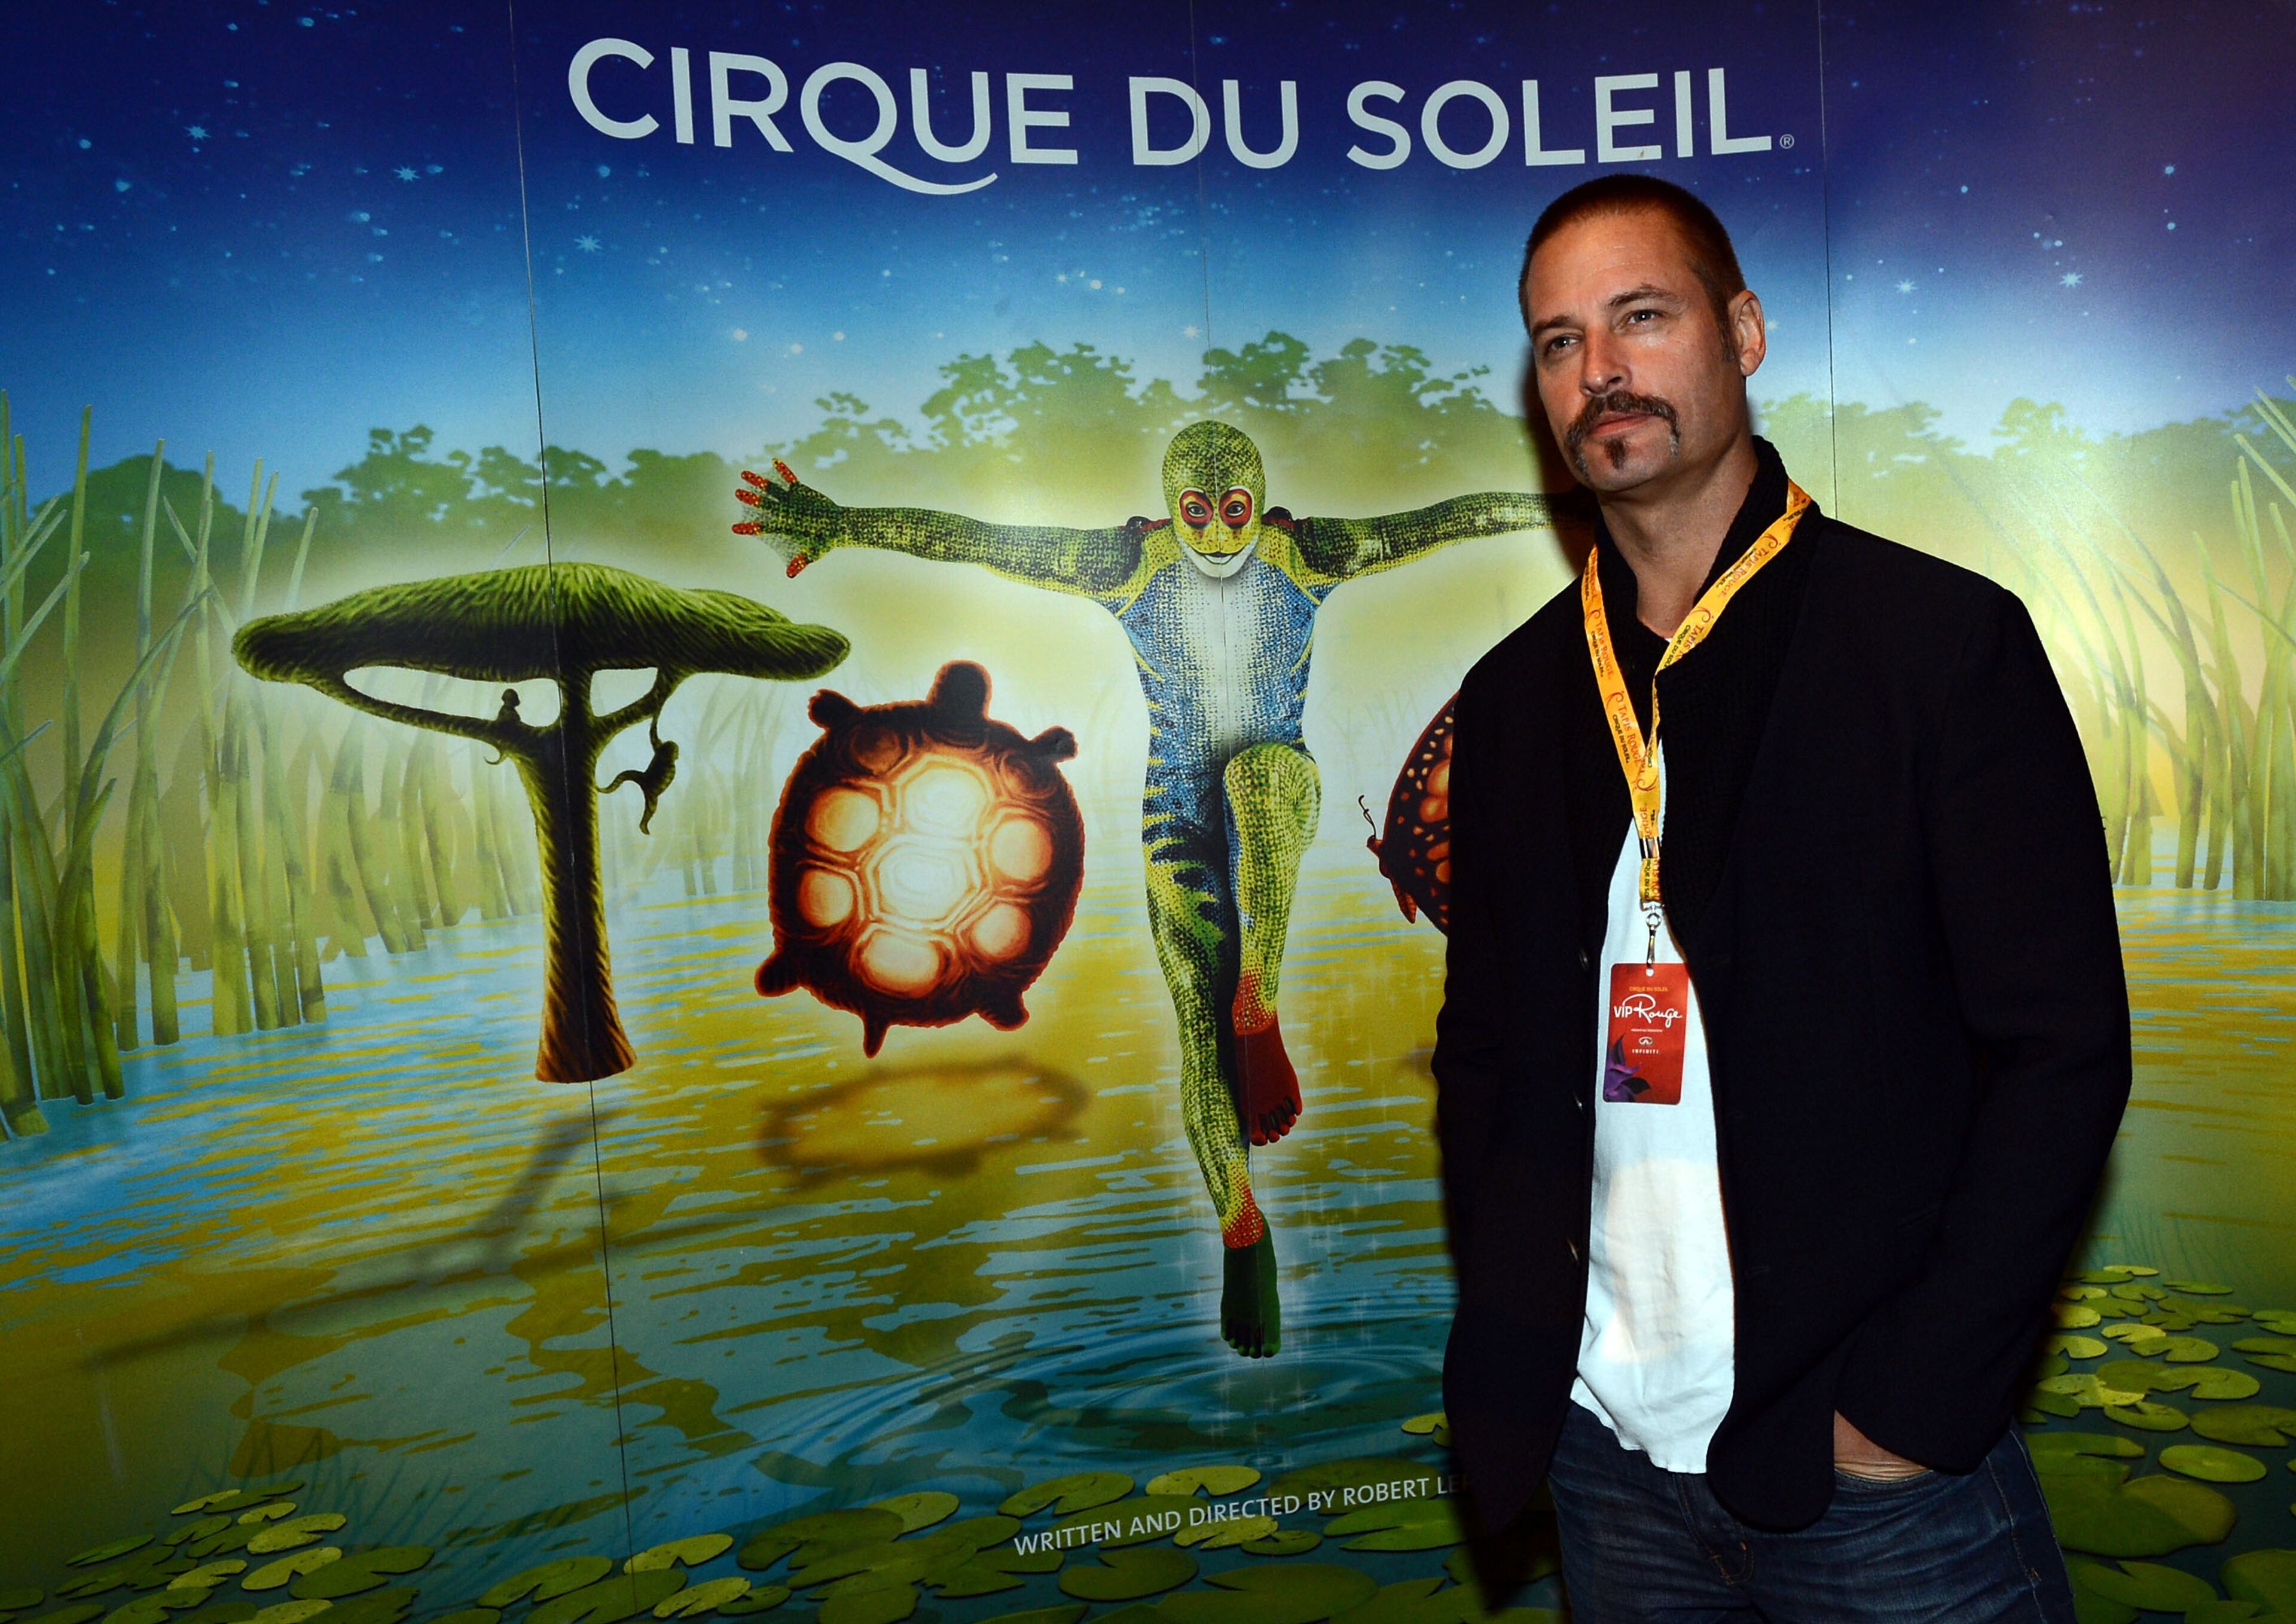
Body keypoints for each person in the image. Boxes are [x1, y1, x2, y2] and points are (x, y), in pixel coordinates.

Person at [1431, 173, 2130, 1620]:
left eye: (1641, 316)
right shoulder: (1510, 702)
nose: (1600, 368)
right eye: (1559, 340)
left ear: (1743, 332)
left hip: (1873, 1476)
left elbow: (2062, 1052)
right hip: (1607, 1464)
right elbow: (1486, 1057)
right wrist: (1531, 1345)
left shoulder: (1938, 646)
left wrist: (1909, 1401)